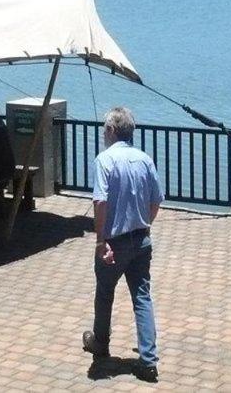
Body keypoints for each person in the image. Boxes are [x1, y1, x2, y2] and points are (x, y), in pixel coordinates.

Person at [82, 106, 163, 383]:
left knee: (105, 293)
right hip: (141, 239)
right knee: (142, 297)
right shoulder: (145, 159)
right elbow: (156, 200)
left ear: (111, 130)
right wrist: (145, 224)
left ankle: (100, 344)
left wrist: (100, 240)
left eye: (104, 129)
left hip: (114, 243)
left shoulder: (104, 160)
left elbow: (100, 201)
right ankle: (148, 360)